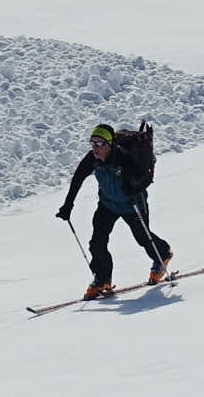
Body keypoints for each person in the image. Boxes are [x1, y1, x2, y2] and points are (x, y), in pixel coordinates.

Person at [56, 121, 173, 297]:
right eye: (93, 143)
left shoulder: (124, 158)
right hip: (107, 204)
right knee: (97, 242)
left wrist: (133, 187)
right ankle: (102, 279)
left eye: (100, 143)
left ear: (109, 144)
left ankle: (162, 255)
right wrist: (68, 205)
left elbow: (145, 177)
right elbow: (78, 178)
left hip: (131, 204)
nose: (95, 148)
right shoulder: (92, 159)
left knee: (143, 237)